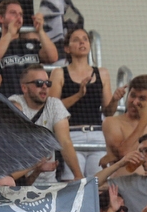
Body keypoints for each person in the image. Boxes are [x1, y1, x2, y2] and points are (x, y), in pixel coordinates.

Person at [49, 27, 119, 178]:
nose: (82, 42)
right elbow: (51, 109)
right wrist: (78, 95)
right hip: (70, 135)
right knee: (73, 185)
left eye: (85, 39)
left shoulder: (102, 73)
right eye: (76, 40)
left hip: (97, 135)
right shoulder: (59, 73)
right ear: (67, 48)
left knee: (99, 186)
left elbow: (108, 112)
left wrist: (115, 99)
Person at [8, 64, 82, 182]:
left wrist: (78, 176)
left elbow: (65, 142)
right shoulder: (16, 103)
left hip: (48, 183)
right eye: (38, 83)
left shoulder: (54, 105)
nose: (44, 87)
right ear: (24, 88)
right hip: (20, 183)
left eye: (48, 83)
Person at [0, 1, 57, 97]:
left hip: (32, 104)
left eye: (20, 14)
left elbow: (53, 57)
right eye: (13, 13)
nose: (18, 17)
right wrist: (9, 34)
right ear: (1, 18)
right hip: (6, 102)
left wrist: (40, 31)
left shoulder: (31, 43)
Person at [101, 74, 147, 165]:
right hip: (122, 178)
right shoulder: (112, 123)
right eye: (132, 95)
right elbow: (123, 155)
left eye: (141, 98)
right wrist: (144, 121)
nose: (134, 102)